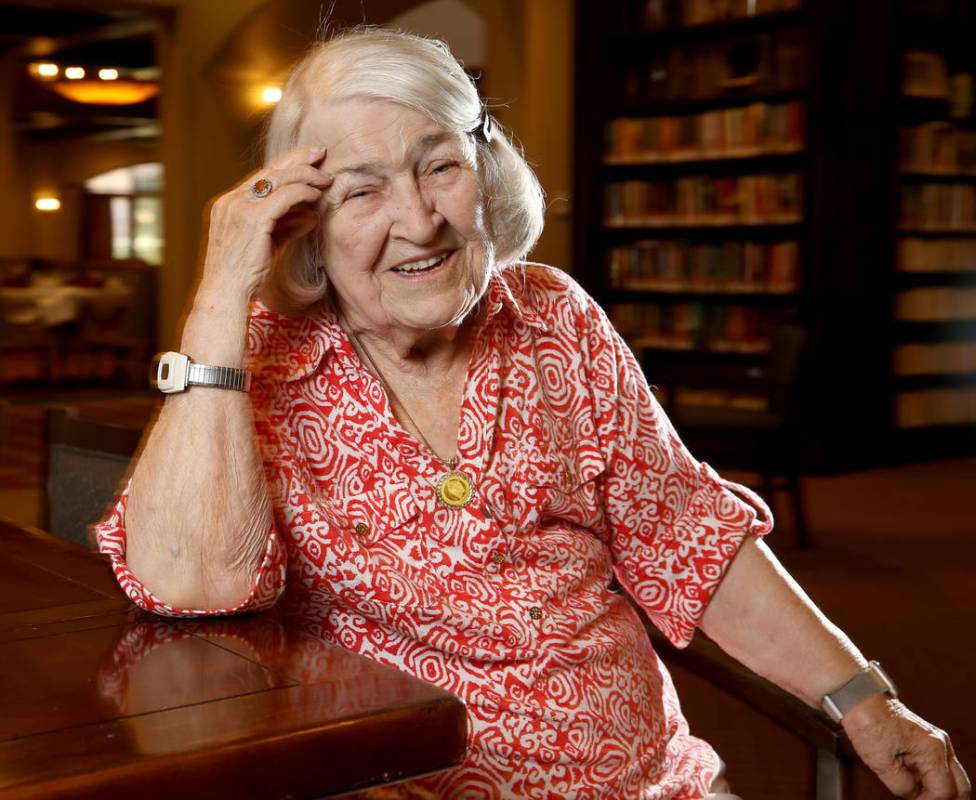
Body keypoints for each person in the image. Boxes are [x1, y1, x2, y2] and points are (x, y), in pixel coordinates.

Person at [96, 26, 970, 800]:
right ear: (302, 224)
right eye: (361, 191)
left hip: (648, 781)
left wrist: (863, 698)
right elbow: (192, 584)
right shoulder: (258, 357)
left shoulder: (552, 315)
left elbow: (685, 533)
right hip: (403, 781)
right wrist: (218, 296)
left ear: (484, 172)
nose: (420, 220)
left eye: (441, 166)